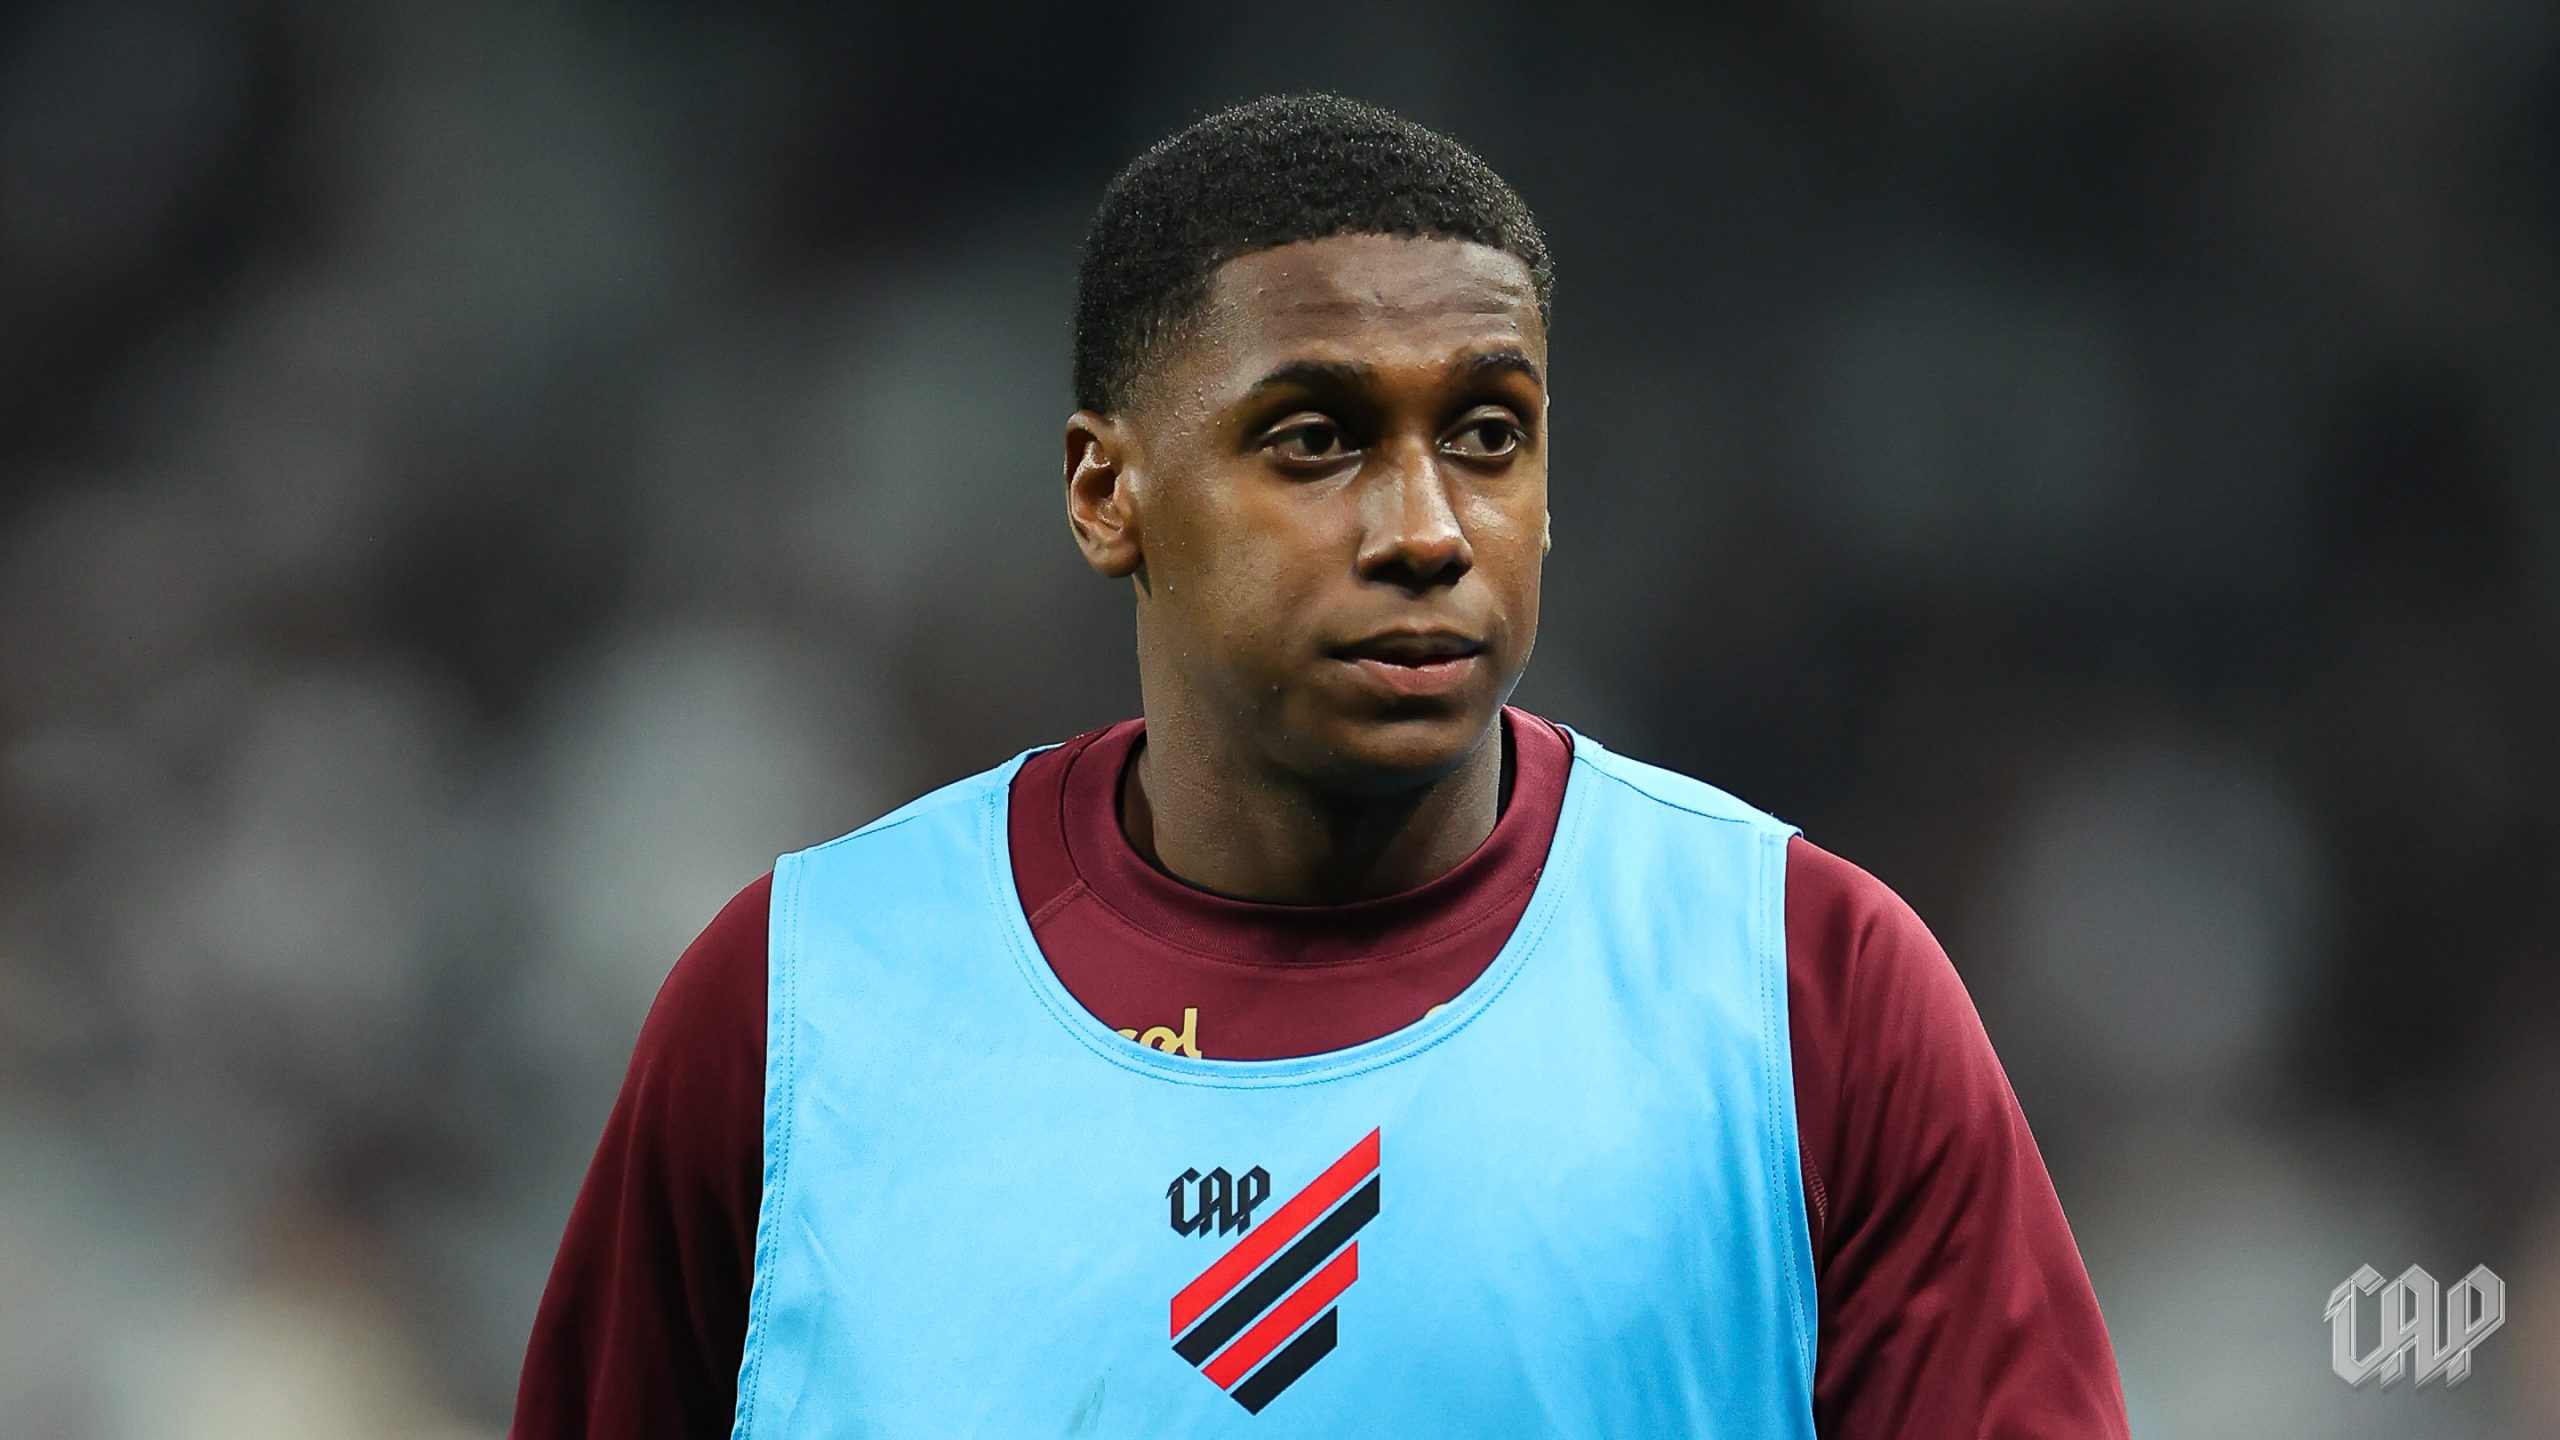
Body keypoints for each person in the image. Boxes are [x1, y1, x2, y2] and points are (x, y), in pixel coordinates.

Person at [511, 93, 2130, 1437]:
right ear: (1106, 494)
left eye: (1487, 435)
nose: (1426, 530)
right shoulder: (796, 1012)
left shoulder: (1805, 992)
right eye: (1317, 440)